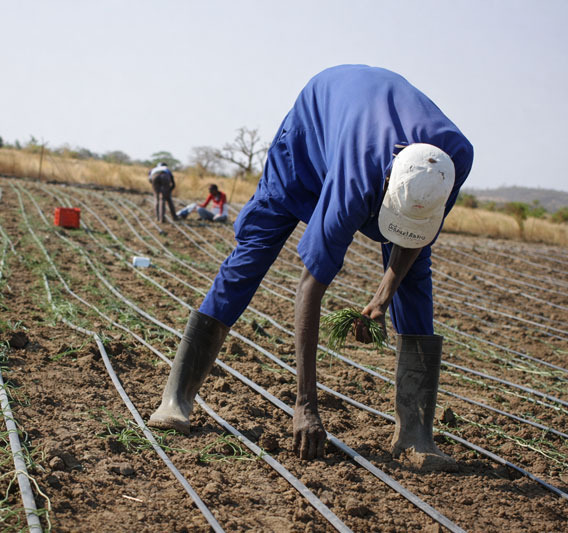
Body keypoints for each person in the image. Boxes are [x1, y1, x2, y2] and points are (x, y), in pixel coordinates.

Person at [148, 65, 473, 471]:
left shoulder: (454, 158)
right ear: (386, 185)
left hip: (368, 130)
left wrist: (381, 298)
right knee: (255, 253)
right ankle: (176, 397)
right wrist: (305, 406)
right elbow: (310, 287)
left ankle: (415, 433)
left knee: (414, 278)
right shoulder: (355, 180)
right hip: (308, 139)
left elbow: (417, 236)